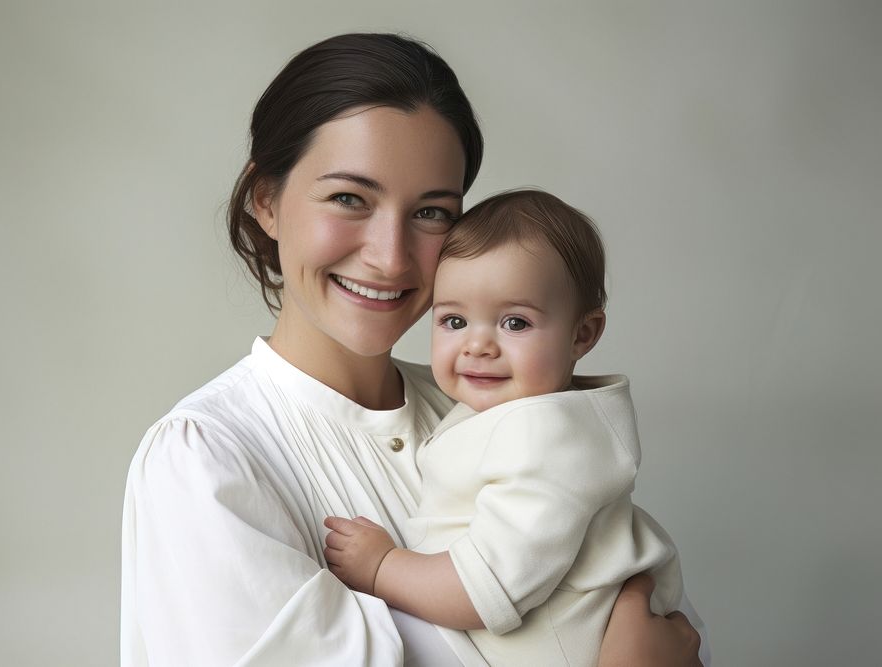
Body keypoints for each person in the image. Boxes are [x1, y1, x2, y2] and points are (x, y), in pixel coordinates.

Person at [120, 33, 704, 666]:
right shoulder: (207, 462)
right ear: (266, 200)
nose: (391, 256)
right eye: (349, 199)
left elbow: (655, 604)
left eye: (431, 212)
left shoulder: (506, 406)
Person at [323, 190, 704, 666]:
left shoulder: (546, 441)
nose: (478, 345)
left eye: (515, 322)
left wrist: (383, 567)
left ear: (582, 335)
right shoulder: (509, 412)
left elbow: (486, 591)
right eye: (455, 320)